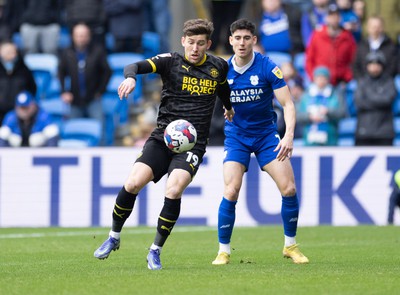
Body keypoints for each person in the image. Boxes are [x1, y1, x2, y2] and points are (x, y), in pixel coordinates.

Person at [93, 19, 235, 270]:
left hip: (193, 144)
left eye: (200, 44)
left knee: (173, 189)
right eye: (190, 42)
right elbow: (133, 65)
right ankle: (114, 237)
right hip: (162, 138)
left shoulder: (218, 66)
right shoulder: (170, 61)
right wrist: (131, 78)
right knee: (133, 182)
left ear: (208, 44)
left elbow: (222, 87)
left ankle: (155, 250)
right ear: (183, 41)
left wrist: (228, 106)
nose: (195, 48)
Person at [211, 18, 308, 266]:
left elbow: (287, 104)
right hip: (237, 137)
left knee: (289, 189)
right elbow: (210, 100)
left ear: (254, 40)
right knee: (231, 189)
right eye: (237, 38)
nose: (242, 43)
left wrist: (288, 135)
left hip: (266, 136)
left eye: (246, 38)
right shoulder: (221, 69)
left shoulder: (267, 67)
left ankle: (291, 246)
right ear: (230, 41)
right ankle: (223, 251)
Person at [58, 23, 111, 129]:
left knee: (100, 129)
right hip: (75, 100)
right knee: (73, 130)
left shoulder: (97, 51)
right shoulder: (67, 52)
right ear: (73, 36)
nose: (80, 39)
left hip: (93, 99)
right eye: (77, 35)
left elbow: (107, 72)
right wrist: (64, 91)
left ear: (88, 36)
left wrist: (101, 91)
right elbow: (61, 72)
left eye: (83, 35)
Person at [305, 4, 357, 86]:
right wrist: (313, 77)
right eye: (331, 16)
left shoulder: (347, 37)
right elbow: (309, 59)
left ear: (340, 18)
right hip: (320, 80)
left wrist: (348, 76)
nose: (334, 19)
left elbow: (354, 59)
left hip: (341, 81)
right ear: (326, 18)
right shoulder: (317, 35)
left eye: (336, 16)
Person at [354, 51, 397, 146]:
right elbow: (359, 102)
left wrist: (368, 98)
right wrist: (378, 99)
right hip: (364, 132)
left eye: (377, 64)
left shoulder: (389, 82)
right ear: (367, 66)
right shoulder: (362, 82)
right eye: (371, 64)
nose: (374, 67)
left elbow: (388, 100)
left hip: (384, 132)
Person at [296, 66, 346, 146]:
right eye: (318, 78)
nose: (321, 81)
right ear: (314, 79)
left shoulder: (335, 95)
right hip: (310, 140)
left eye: (324, 78)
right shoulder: (306, 96)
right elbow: (298, 115)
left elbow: (342, 113)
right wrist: (310, 116)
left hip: (330, 139)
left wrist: (328, 111)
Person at [0, 41, 37, 125]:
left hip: (19, 112)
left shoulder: (24, 69)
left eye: (12, 51)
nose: (9, 54)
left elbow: (32, 88)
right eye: (6, 51)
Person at [353, 15, 398, 80]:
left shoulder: (390, 45)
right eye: (373, 27)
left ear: (382, 28)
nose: (376, 29)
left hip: (386, 81)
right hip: (364, 81)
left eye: (378, 27)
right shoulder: (361, 45)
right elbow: (356, 66)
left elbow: (393, 66)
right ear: (368, 28)